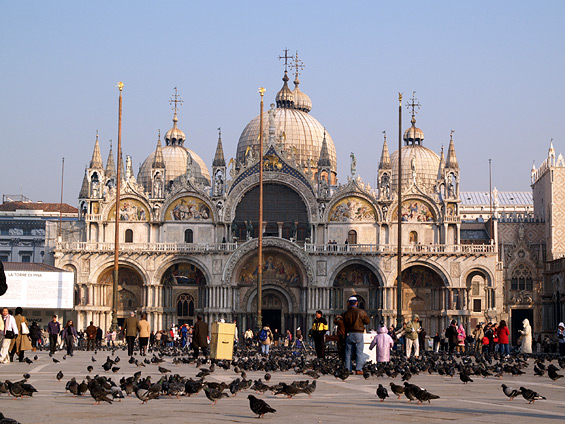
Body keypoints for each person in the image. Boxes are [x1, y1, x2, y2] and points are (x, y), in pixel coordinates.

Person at [343, 296, 370, 374]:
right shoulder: (361, 312)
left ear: (348, 303)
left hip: (349, 334)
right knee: (359, 352)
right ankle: (358, 369)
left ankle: (348, 369)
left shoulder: (346, 313)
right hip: (358, 333)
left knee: (348, 353)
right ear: (356, 303)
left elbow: (344, 323)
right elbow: (367, 321)